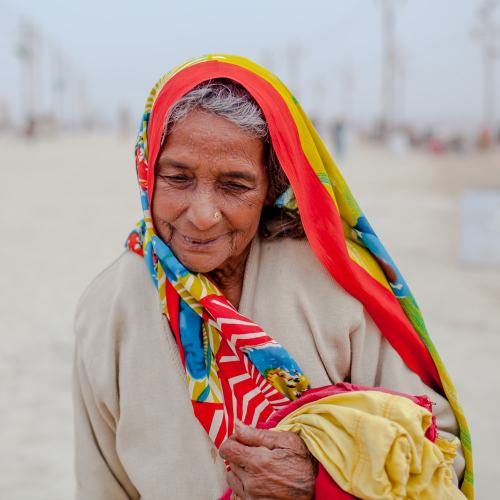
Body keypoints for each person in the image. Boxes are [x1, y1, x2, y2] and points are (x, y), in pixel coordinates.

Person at [73, 55, 473, 499]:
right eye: (178, 178)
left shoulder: (335, 287)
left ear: (272, 186)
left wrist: (321, 478)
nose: (202, 215)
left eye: (235, 185)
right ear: (148, 172)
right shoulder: (108, 306)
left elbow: (442, 452)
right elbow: (100, 484)